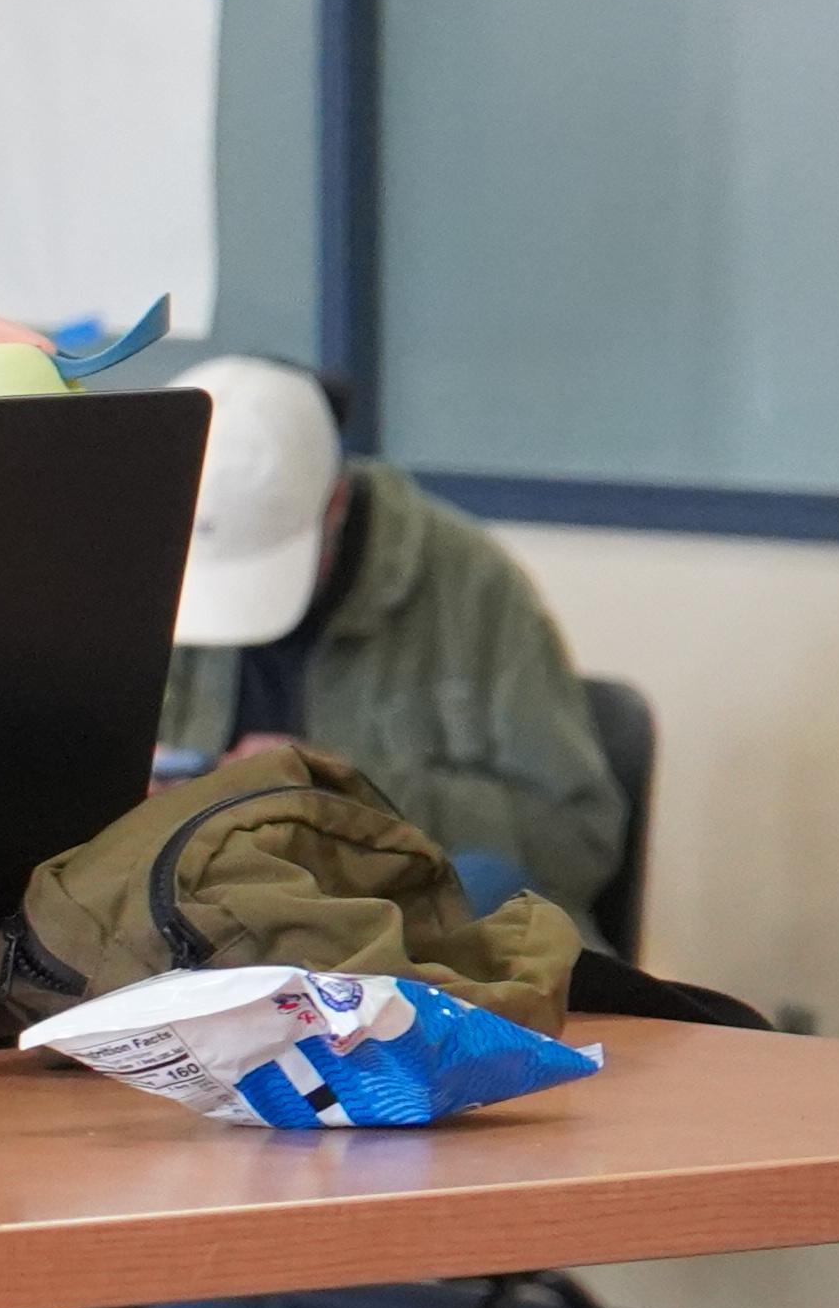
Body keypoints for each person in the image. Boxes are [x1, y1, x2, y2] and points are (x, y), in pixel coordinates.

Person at [158, 352, 628, 919]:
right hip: (205, 943)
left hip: (416, 951)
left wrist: (354, 792)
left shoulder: (469, 589)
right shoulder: (142, 569)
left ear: (335, 502)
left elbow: (579, 842)